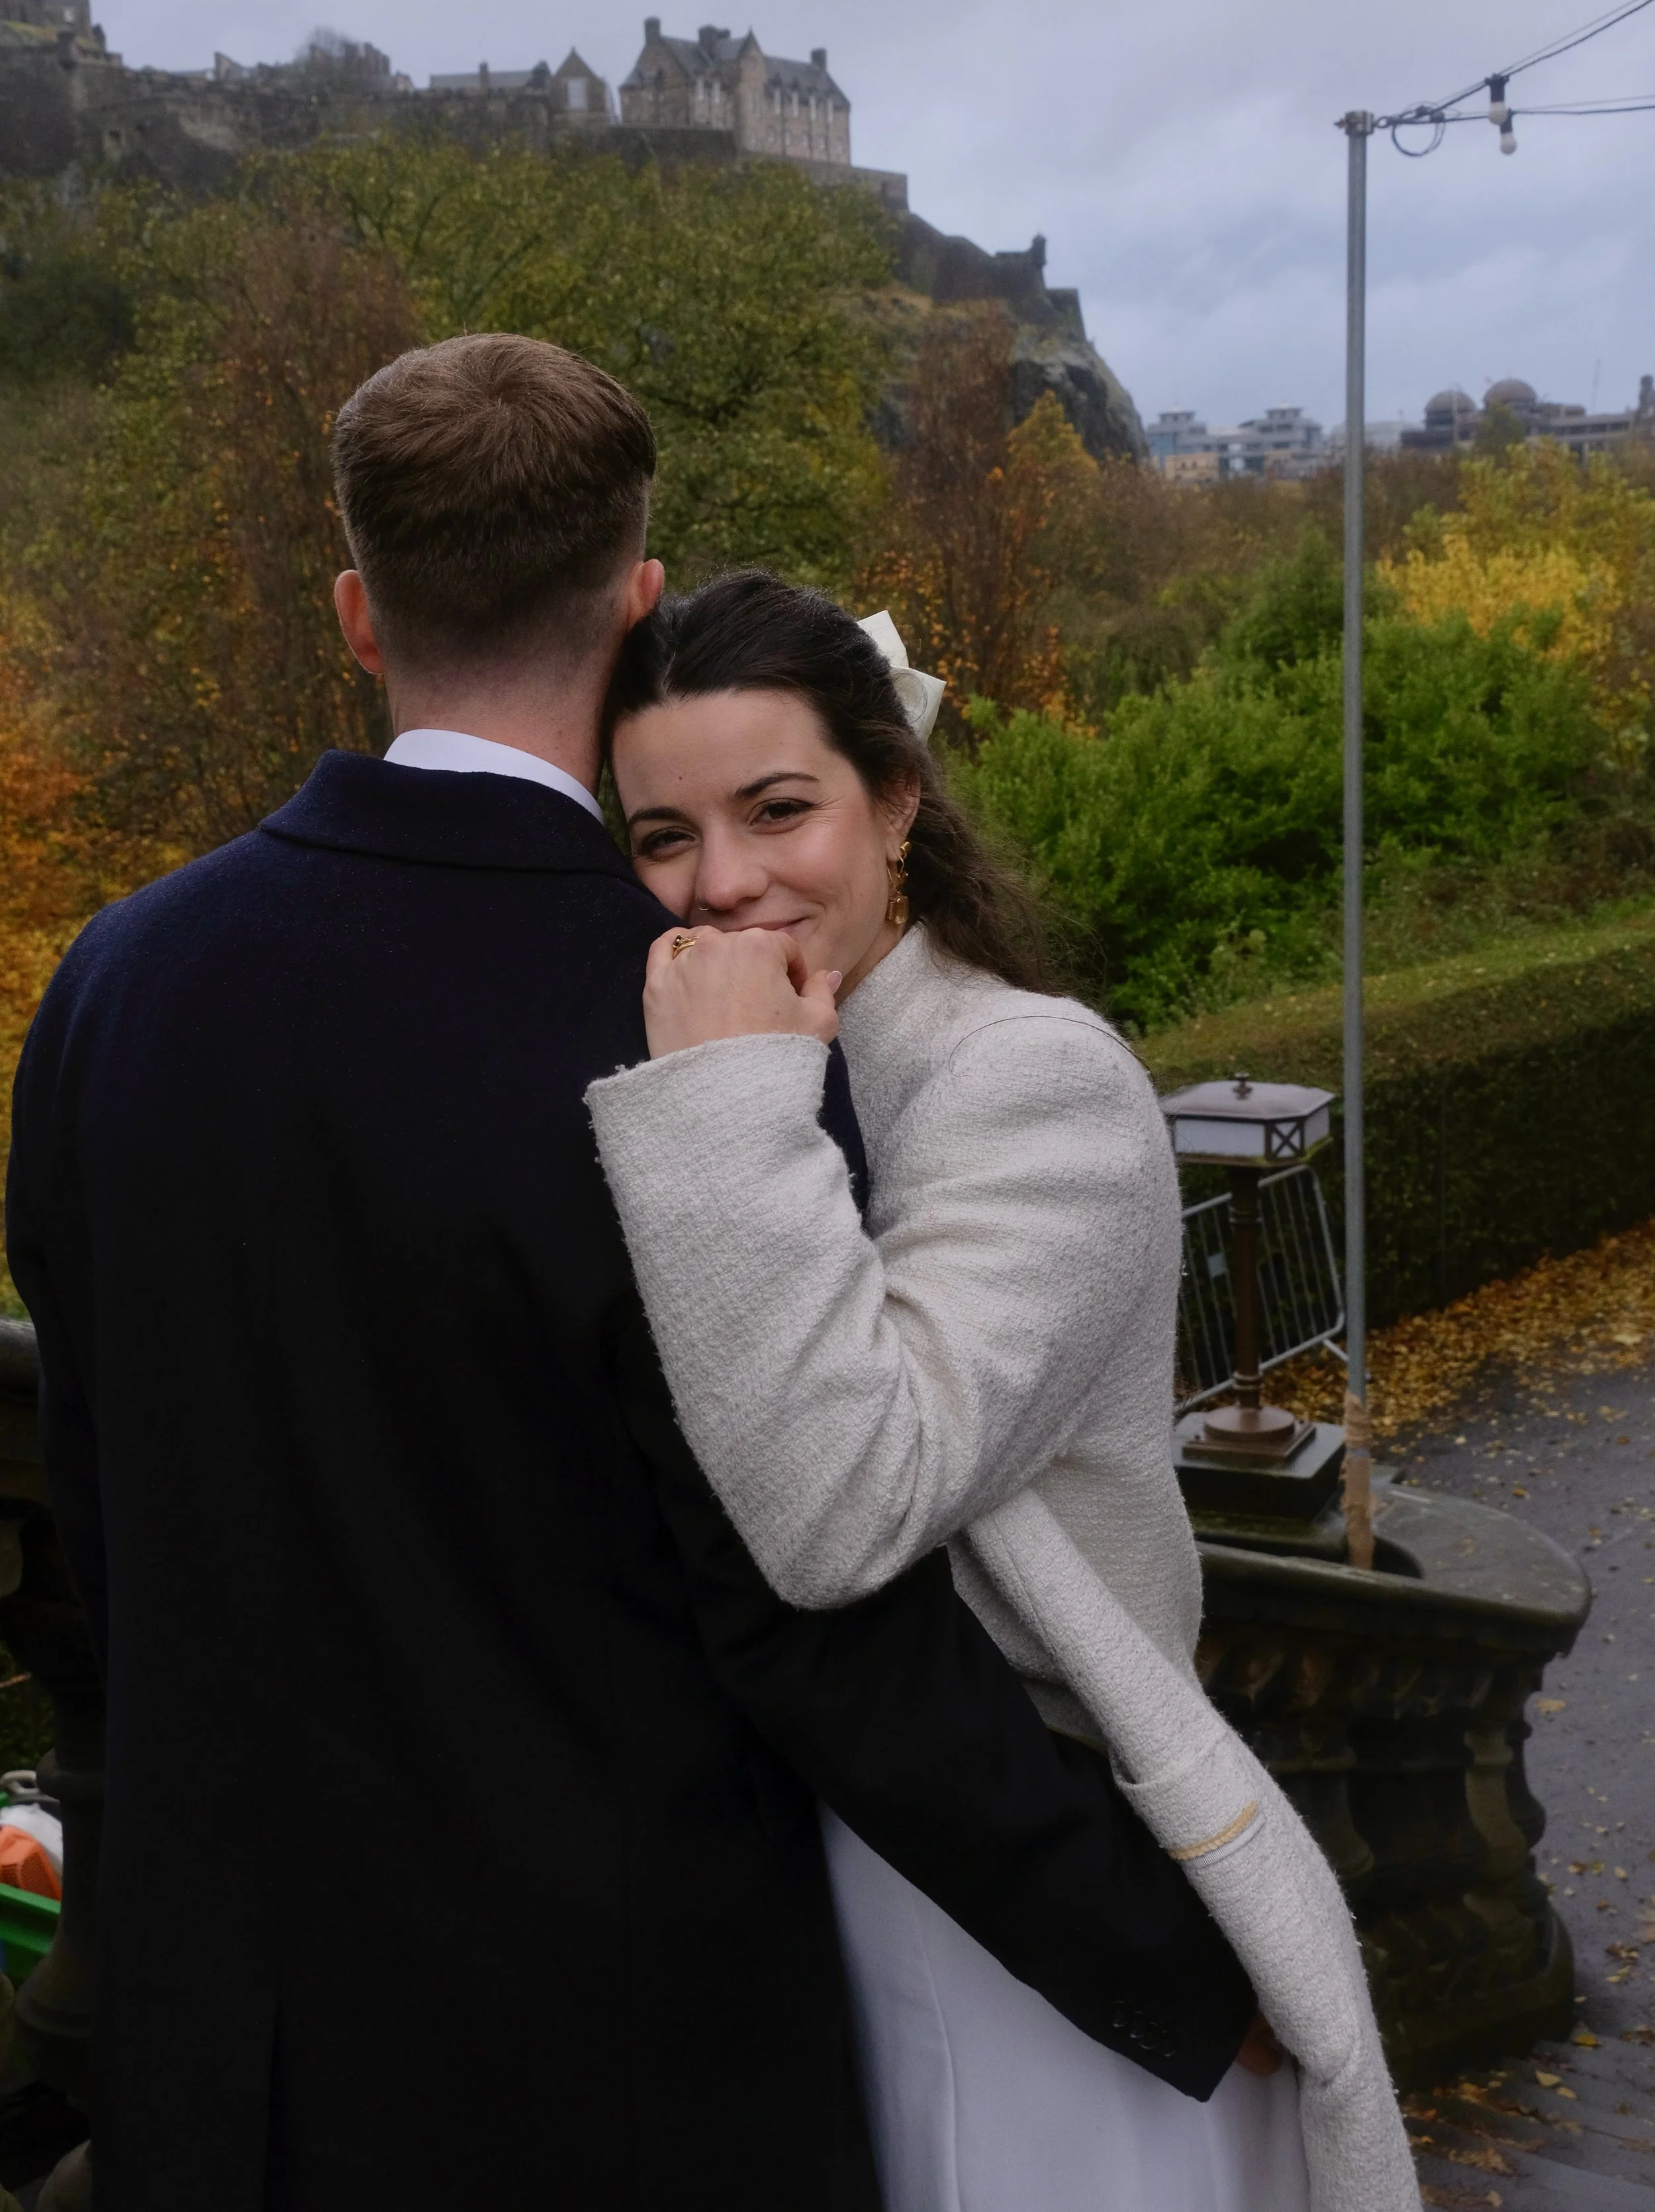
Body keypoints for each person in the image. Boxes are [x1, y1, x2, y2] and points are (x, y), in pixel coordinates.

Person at [5, 338, 1261, 2212]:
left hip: (224, 2038)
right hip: (611, 2058)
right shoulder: (703, 1029)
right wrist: (1158, 1958)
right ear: (636, 600)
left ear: (358, 610)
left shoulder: (110, 977)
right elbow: (811, 1616)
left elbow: (98, 1527)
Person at [587, 571, 1423, 2212]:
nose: (727, 882)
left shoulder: (1026, 1082)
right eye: (663, 838)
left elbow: (841, 1509)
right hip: (839, 1859)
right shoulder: (781, 1056)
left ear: (895, 798)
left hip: (1038, 1879)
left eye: (777, 809)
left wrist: (717, 1095)